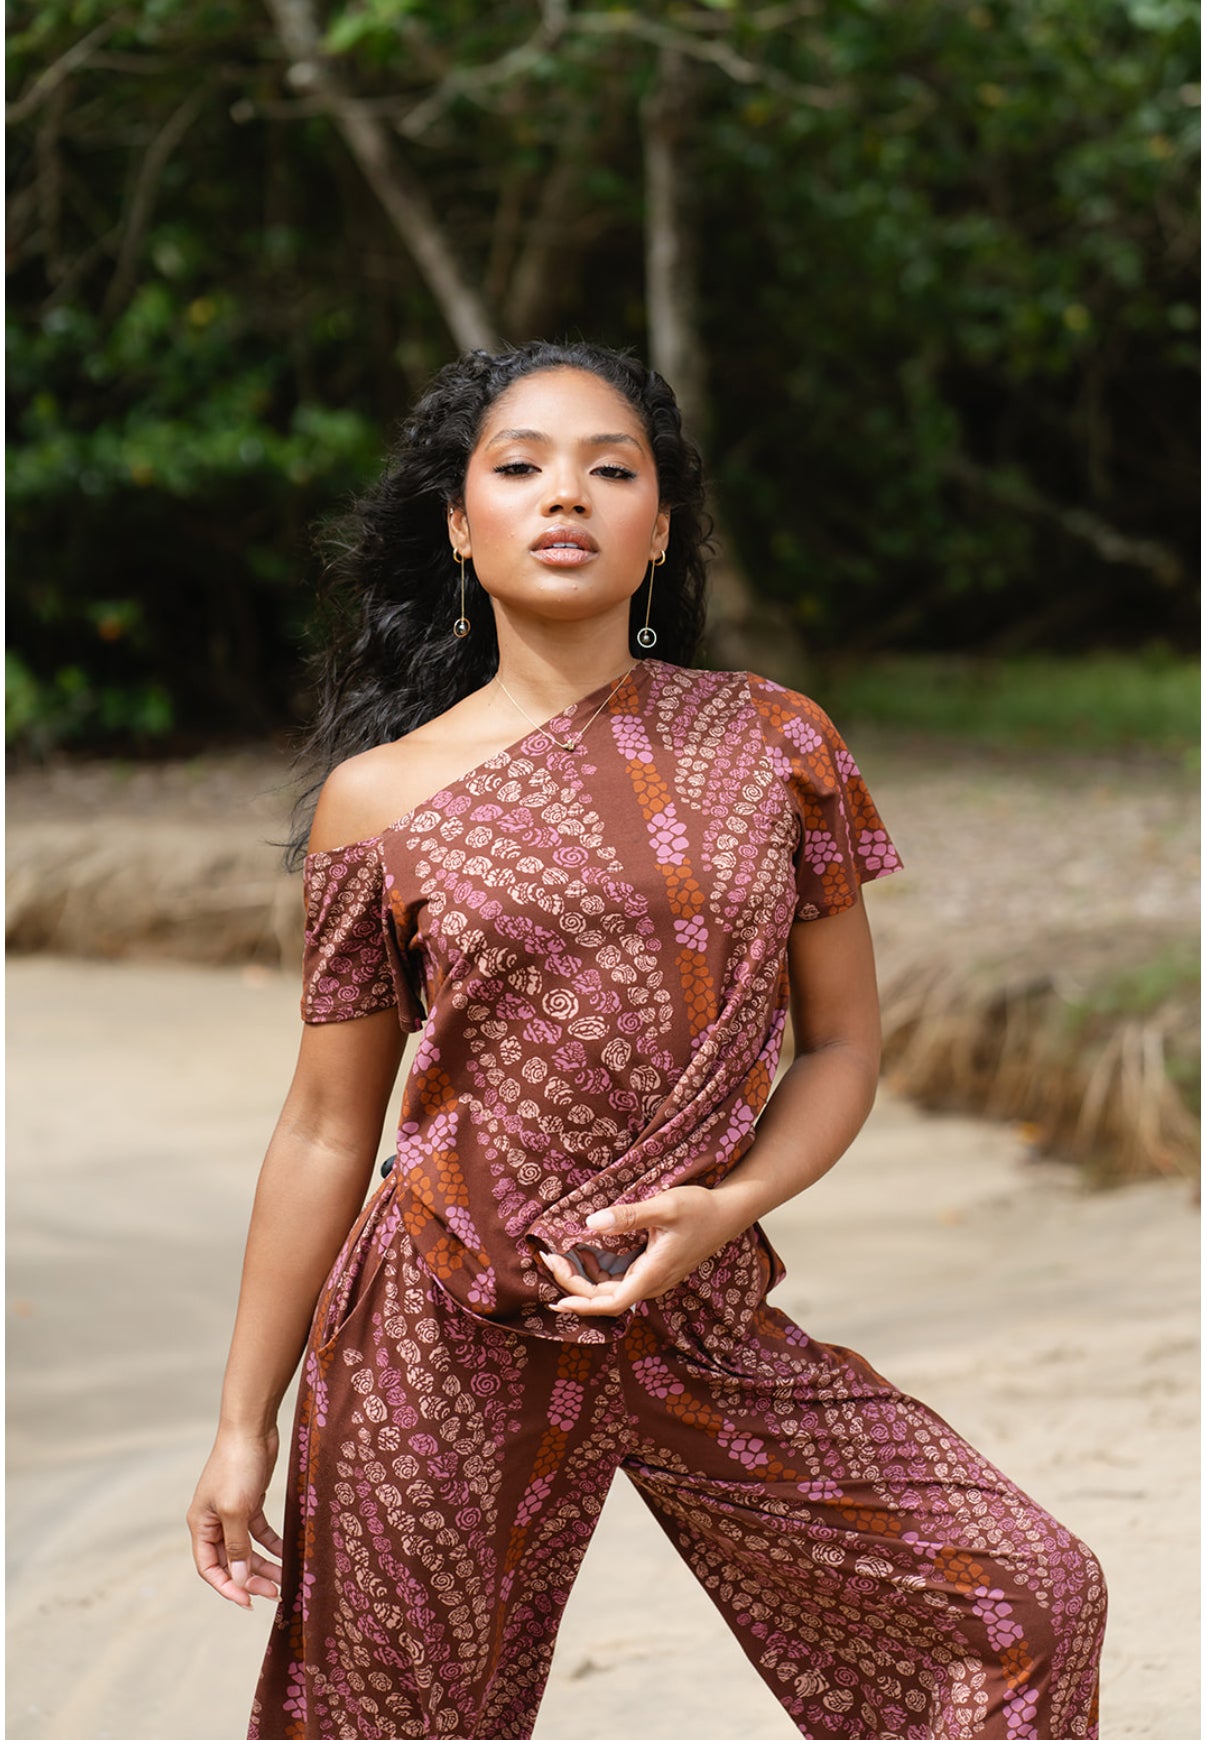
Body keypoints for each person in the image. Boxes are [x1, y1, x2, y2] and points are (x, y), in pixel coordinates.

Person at [186, 339, 1106, 1739]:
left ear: (660, 525)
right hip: (444, 1322)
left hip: (697, 1310)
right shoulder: (375, 804)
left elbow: (843, 1046)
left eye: (611, 470)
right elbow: (325, 1122)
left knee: (1022, 1598)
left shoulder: (773, 741)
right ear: (459, 524)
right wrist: (246, 1420)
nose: (567, 497)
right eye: (521, 468)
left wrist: (729, 1204)